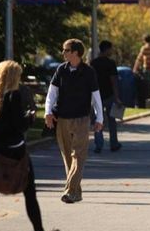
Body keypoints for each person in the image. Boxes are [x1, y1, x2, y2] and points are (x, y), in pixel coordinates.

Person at [0, 61, 48, 231]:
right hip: (15, 152)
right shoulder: (13, 95)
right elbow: (19, 125)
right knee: (30, 194)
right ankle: (39, 230)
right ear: (12, 77)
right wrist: (29, 118)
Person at [45, 38, 103, 204]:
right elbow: (52, 93)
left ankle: (70, 191)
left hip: (81, 119)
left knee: (79, 156)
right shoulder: (61, 70)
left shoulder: (88, 71)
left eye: (66, 50)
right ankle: (76, 193)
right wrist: (48, 112)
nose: (63, 53)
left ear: (76, 52)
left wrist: (99, 117)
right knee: (68, 158)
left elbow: (96, 96)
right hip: (62, 119)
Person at [90, 40, 122, 153]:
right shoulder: (111, 63)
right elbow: (113, 81)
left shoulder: (93, 63)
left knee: (97, 120)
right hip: (109, 95)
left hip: (96, 95)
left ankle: (98, 144)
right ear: (107, 49)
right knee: (112, 120)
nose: (111, 51)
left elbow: (90, 80)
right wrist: (117, 97)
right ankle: (114, 143)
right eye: (111, 49)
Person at [133, 34, 150, 108]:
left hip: (147, 69)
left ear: (144, 40)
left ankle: (146, 100)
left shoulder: (145, 48)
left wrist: (135, 69)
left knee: (146, 85)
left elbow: (139, 59)